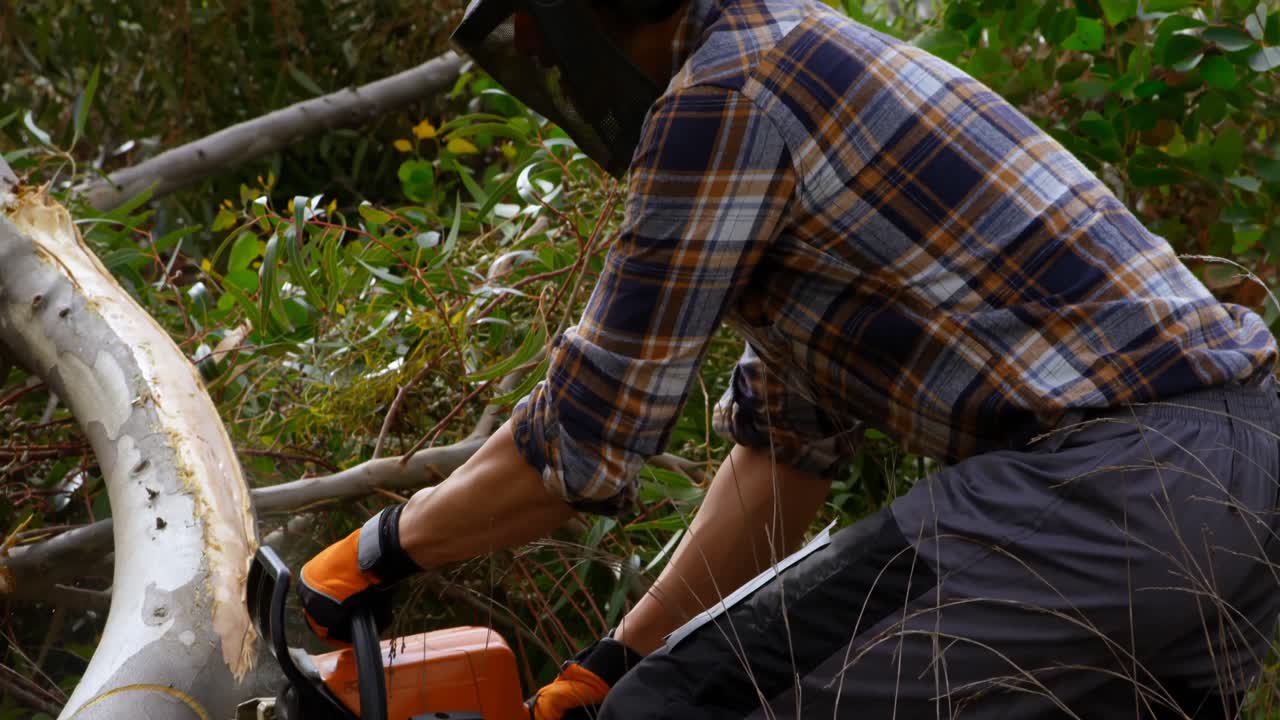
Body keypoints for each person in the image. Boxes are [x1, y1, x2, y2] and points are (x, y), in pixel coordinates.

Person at [296, 0, 1280, 716]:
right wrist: (612, 663)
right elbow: (784, 457)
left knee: (682, 708)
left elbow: (577, 447)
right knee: (660, 694)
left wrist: (369, 556)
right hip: (1233, 496)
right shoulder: (796, 64)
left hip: (1106, 489)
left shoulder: (721, 94)